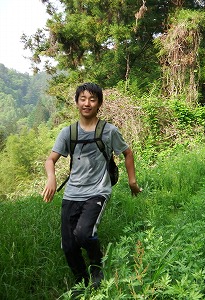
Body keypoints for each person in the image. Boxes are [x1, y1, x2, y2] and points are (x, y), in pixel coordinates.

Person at [42, 82, 142, 289]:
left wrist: (132, 182)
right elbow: (50, 160)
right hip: (72, 193)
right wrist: (51, 178)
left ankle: (97, 267)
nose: (87, 103)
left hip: (98, 191)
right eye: (83, 99)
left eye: (92, 99)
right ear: (77, 102)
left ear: (99, 104)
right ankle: (81, 282)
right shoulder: (68, 133)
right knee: (69, 246)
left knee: (84, 233)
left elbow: (127, 153)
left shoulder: (109, 131)